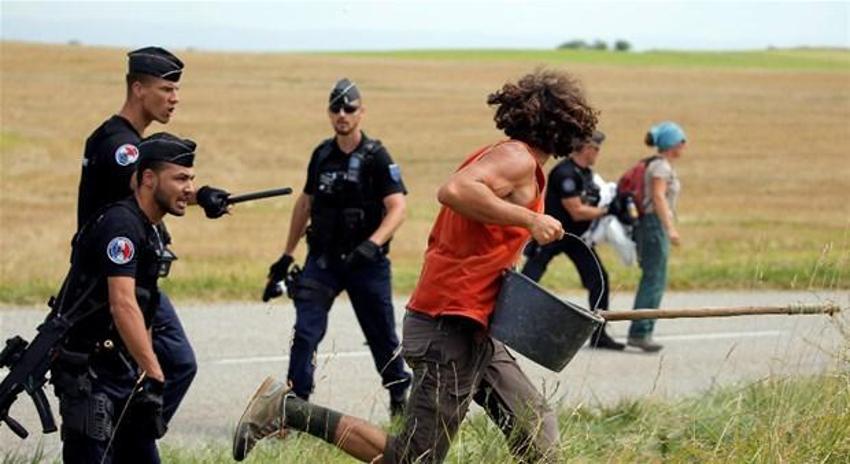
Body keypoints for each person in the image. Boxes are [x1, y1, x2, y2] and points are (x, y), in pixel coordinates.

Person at [234, 69, 598, 463]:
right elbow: (454, 190)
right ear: (561, 124)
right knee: (415, 458)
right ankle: (286, 410)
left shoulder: (515, 160)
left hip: (475, 323)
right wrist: (530, 220)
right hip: (447, 325)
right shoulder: (516, 159)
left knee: (535, 425)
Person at [75, 46, 229, 426]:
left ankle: (131, 437)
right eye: (166, 89)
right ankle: (131, 436)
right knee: (174, 363)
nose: (174, 99)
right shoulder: (121, 147)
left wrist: (199, 196)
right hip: (111, 281)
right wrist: (198, 195)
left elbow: (152, 191)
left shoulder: (119, 139)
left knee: (160, 368)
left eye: (177, 90)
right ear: (138, 89)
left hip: (127, 274)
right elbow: (149, 188)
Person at [262, 78, 411, 415]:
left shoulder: (376, 156)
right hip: (323, 261)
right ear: (329, 113)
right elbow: (305, 204)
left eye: (349, 108)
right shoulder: (322, 154)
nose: (342, 114)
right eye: (336, 108)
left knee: (382, 336)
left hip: (366, 263)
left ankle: (399, 395)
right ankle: (296, 406)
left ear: (361, 113)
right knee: (305, 333)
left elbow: (398, 206)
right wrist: (286, 256)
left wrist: (373, 244)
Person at [53, 133, 201, 463]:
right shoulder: (121, 226)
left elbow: (143, 305)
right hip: (90, 377)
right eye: (180, 178)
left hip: (121, 372)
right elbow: (122, 304)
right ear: (148, 179)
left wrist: (140, 372)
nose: (190, 189)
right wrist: (154, 373)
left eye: (191, 179)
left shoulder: (150, 230)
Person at [521, 130, 626, 350]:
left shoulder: (587, 173)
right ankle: (511, 322)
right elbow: (576, 211)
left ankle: (600, 334)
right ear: (586, 148)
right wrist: (607, 211)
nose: (598, 153)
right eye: (596, 149)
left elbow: (594, 199)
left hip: (577, 238)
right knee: (528, 281)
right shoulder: (565, 173)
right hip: (553, 233)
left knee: (599, 280)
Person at [627, 121, 687, 352]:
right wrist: (669, 228)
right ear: (673, 144)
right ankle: (641, 332)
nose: (684, 146)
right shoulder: (661, 167)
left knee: (653, 278)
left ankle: (642, 330)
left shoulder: (657, 164)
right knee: (654, 279)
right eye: (682, 141)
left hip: (650, 224)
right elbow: (659, 198)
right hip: (654, 225)